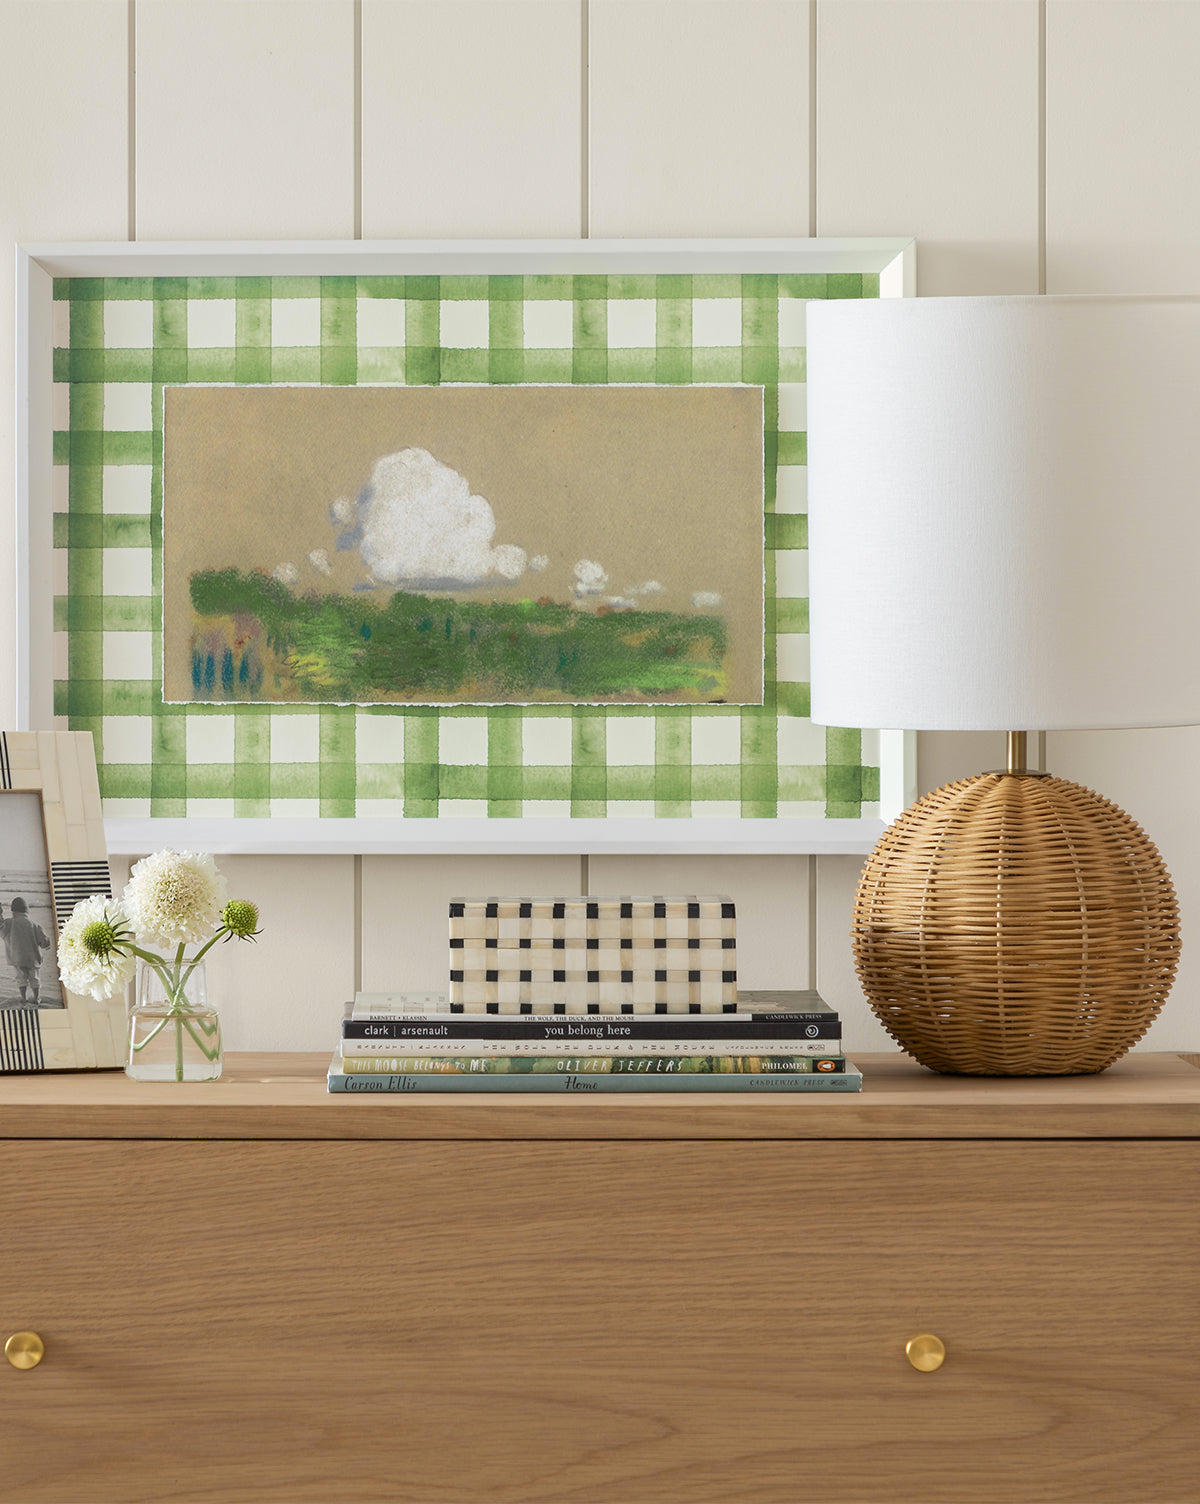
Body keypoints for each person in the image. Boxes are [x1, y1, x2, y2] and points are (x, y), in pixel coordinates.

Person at [0, 897, 51, 1005]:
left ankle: (23, 998)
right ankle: (37, 998)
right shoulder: (33, 924)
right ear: (26, 910)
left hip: (17, 957)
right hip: (32, 958)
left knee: (21, 978)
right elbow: (44, 942)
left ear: (13, 910)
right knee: (34, 978)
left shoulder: (9, 923)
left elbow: (2, 930)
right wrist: (46, 943)